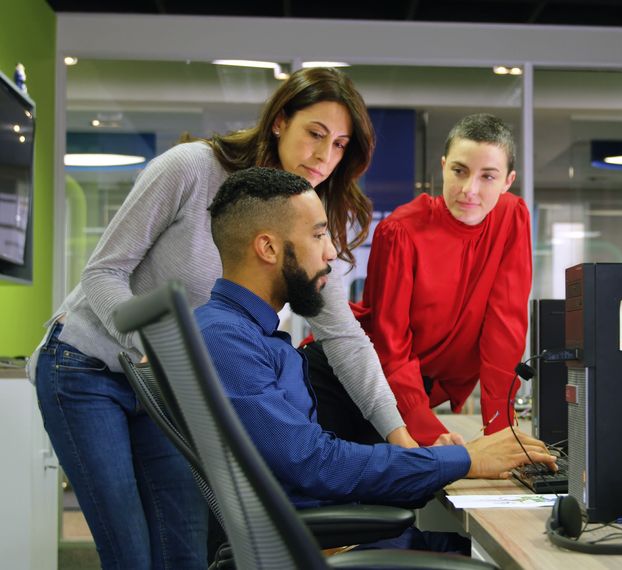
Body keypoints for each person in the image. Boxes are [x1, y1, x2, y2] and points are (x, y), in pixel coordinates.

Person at [30, 68, 418, 570]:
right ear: (280, 122)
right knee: (130, 552)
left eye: (340, 145)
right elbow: (104, 271)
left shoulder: (302, 213)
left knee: (185, 550)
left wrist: (399, 435)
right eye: (315, 134)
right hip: (87, 367)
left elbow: (343, 334)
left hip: (164, 387)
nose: (324, 158)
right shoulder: (191, 167)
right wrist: (148, 346)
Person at [195, 167, 554, 532]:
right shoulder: (226, 341)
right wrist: (464, 460)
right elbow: (318, 465)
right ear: (268, 248)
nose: (332, 253)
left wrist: (436, 457)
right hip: (320, 549)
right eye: (319, 235)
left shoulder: (246, 334)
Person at [304, 113, 532, 447]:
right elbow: (389, 342)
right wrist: (426, 429)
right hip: (350, 379)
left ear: (507, 181)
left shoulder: (513, 218)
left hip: (411, 386)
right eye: (459, 171)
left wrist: (501, 428)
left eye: (488, 176)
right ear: (442, 166)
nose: (470, 190)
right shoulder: (400, 231)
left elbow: (505, 325)